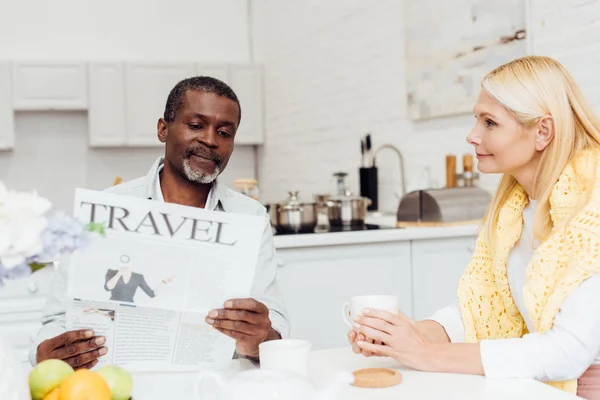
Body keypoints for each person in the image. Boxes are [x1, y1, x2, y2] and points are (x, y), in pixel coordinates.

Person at [348, 56, 600, 399]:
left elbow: (565, 351)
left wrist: (425, 354)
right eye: (476, 120)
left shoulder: (592, 209)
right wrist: (404, 336)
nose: (472, 135)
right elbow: (478, 311)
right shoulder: (511, 208)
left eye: (490, 123)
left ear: (542, 131)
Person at [31, 76, 289, 369]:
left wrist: (258, 339)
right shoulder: (101, 213)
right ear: (163, 129)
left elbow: (275, 332)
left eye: (225, 132)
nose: (210, 140)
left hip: (217, 385)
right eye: (196, 125)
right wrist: (45, 353)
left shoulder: (250, 217)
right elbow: (55, 323)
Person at [104, 255, 174, 303]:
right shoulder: (111, 272)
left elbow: (152, 294)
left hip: (128, 308)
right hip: (113, 306)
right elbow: (108, 287)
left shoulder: (138, 277)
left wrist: (164, 282)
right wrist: (119, 273)